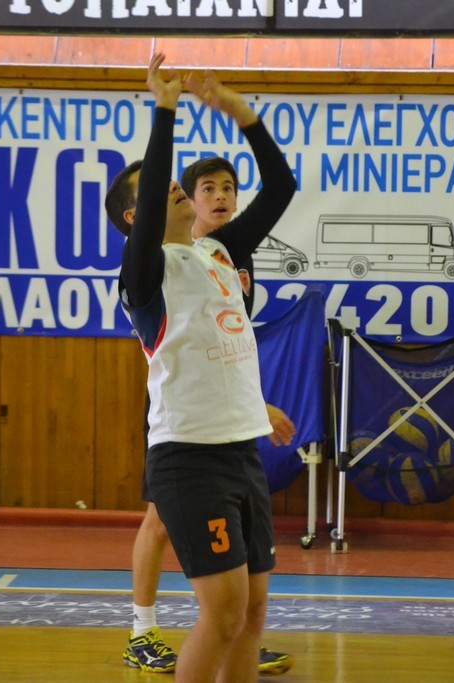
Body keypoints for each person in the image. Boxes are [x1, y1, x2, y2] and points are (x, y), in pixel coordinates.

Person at [106, 54, 296, 681]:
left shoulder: (218, 250)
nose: (175, 187)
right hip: (189, 459)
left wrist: (241, 113)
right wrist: (165, 110)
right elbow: (153, 200)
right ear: (134, 219)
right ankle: (143, 630)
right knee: (223, 613)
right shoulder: (144, 274)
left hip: (241, 450)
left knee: (253, 612)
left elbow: (281, 188)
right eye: (157, 187)